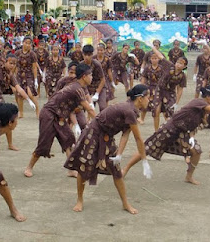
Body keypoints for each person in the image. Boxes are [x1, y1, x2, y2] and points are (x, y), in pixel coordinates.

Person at [123, 86, 210, 185]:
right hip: (170, 129)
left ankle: (189, 176)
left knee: (197, 151)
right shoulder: (199, 102)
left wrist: (191, 137)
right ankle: (125, 169)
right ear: (208, 97)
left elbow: (194, 124)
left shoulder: (204, 109)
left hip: (183, 133)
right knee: (146, 148)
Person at [64, 84, 153, 214]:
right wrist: (144, 161)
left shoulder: (133, 110)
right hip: (93, 134)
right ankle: (79, 200)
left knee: (116, 170)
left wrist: (119, 155)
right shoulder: (128, 110)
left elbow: (126, 133)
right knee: (85, 167)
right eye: (148, 97)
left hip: (107, 137)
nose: (149, 100)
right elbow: (138, 139)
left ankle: (125, 203)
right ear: (140, 98)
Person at [24, 64, 96, 178]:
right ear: (84, 76)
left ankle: (71, 169)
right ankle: (29, 167)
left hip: (60, 116)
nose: (92, 77)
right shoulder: (77, 89)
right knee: (44, 143)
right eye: (91, 75)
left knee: (68, 138)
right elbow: (90, 109)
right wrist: (99, 123)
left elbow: (78, 108)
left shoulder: (80, 87)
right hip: (48, 114)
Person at [148, 42, 187, 131]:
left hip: (170, 92)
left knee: (168, 113)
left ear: (184, 66)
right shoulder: (169, 65)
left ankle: (169, 131)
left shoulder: (182, 76)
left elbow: (180, 90)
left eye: (181, 63)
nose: (178, 64)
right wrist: (152, 47)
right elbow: (159, 55)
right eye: (178, 62)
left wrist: (176, 103)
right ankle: (156, 131)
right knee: (156, 110)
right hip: (160, 89)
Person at [14, 37, 39, 117]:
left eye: (29, 43)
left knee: (30, 93)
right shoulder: (17, 53)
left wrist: (35, 79)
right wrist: (14, 76)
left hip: (29, 75)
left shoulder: (32, 54)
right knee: (19, 94)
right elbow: (15, 65)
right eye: (26, 43)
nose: (27, 45)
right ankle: (21, 112)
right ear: (23, 43)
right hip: (19, 75)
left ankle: (37, 110)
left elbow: (34, 67)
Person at [139, 52, 163, 124]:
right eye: (152, 58)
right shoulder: (147, 68)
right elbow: (144, 77)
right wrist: (142, 87)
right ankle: (142, 119)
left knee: (158, 106)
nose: (154, 60)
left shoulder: (162, 68)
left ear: (158, 59)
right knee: (145, 104)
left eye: (156, 58)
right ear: (150, 59)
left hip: (158, 88)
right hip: (148, 87)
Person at [81, 44, 106, 111]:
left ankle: (102, 120)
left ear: (92, 55)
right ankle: (88, 120)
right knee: (84, 107)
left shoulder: (97, 64)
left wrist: (97, 93)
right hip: (87, 87)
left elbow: (103, 79)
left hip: (99, 85)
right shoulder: (81, 65)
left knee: (103, 106)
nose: (86, 57)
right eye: (85, 55)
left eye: (89, 55)